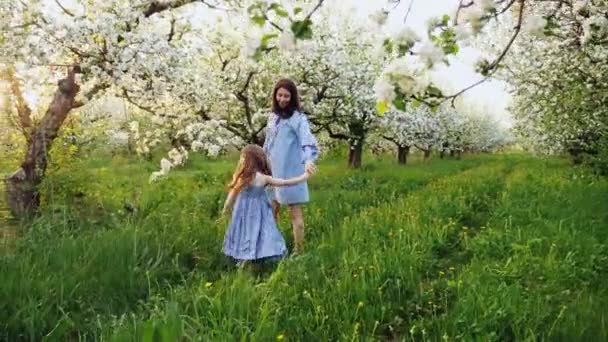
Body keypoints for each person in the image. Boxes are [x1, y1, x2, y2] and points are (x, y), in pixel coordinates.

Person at [221, 144, 311, 265]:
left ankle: (246, 258)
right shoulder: (263, 178)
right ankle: (260, 254)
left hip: (243, 213)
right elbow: (285, 182)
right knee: (262, 233)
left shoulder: (242, 178)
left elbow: (231, 195)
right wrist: (304, 177)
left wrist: (225, 209)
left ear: (246, 160)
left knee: (245, 233)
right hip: (260, 213)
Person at [263, 79, 319, 255]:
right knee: (271, 212)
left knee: (295, 214)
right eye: (279, 95)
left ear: (292, 97)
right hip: (272, 172)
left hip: (290, 172)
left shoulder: (298, 118)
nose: (282, 99)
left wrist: (309, 160)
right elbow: (268, 143)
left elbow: (306, 140)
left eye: (286, 96)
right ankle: (271, 247)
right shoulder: (272, 117)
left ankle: (298, 251)